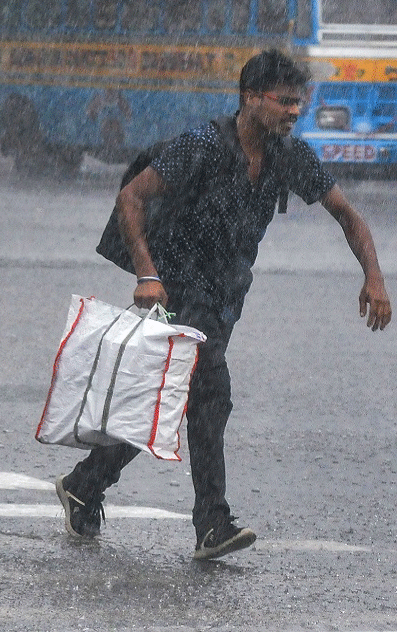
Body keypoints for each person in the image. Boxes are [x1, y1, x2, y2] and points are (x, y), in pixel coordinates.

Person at [56, 48, 392, 561]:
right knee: (212, 393)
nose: (293, 112)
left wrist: (374, 278)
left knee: (169, 399)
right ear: (250, 98)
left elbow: (348, 215)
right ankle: (211, 523)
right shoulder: (202, 146)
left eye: (298, 104)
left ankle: (85, 483)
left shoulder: (289, 156)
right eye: (284, 102)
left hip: (224, 297)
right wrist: (148, 275)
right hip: (176, 289)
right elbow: (132, 198)